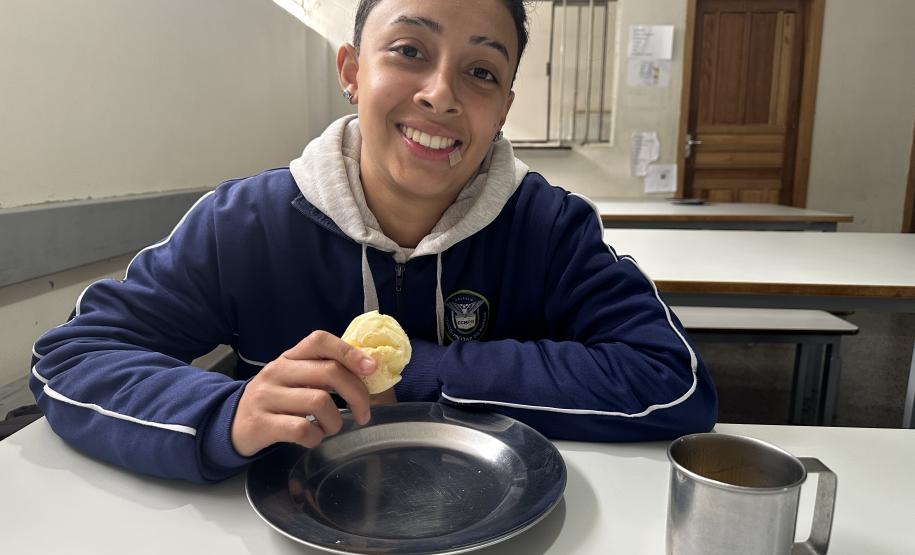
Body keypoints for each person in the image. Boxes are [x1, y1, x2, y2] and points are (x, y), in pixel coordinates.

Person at [30, 0, 717, 483]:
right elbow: (73, 356)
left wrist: (417, 370)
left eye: (480, 71)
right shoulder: (244, 224)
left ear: (504, 105)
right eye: (409, 52)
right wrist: (224, 411)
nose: (441, 94)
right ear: (353, 72)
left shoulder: (550, 228)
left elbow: (669, 380)